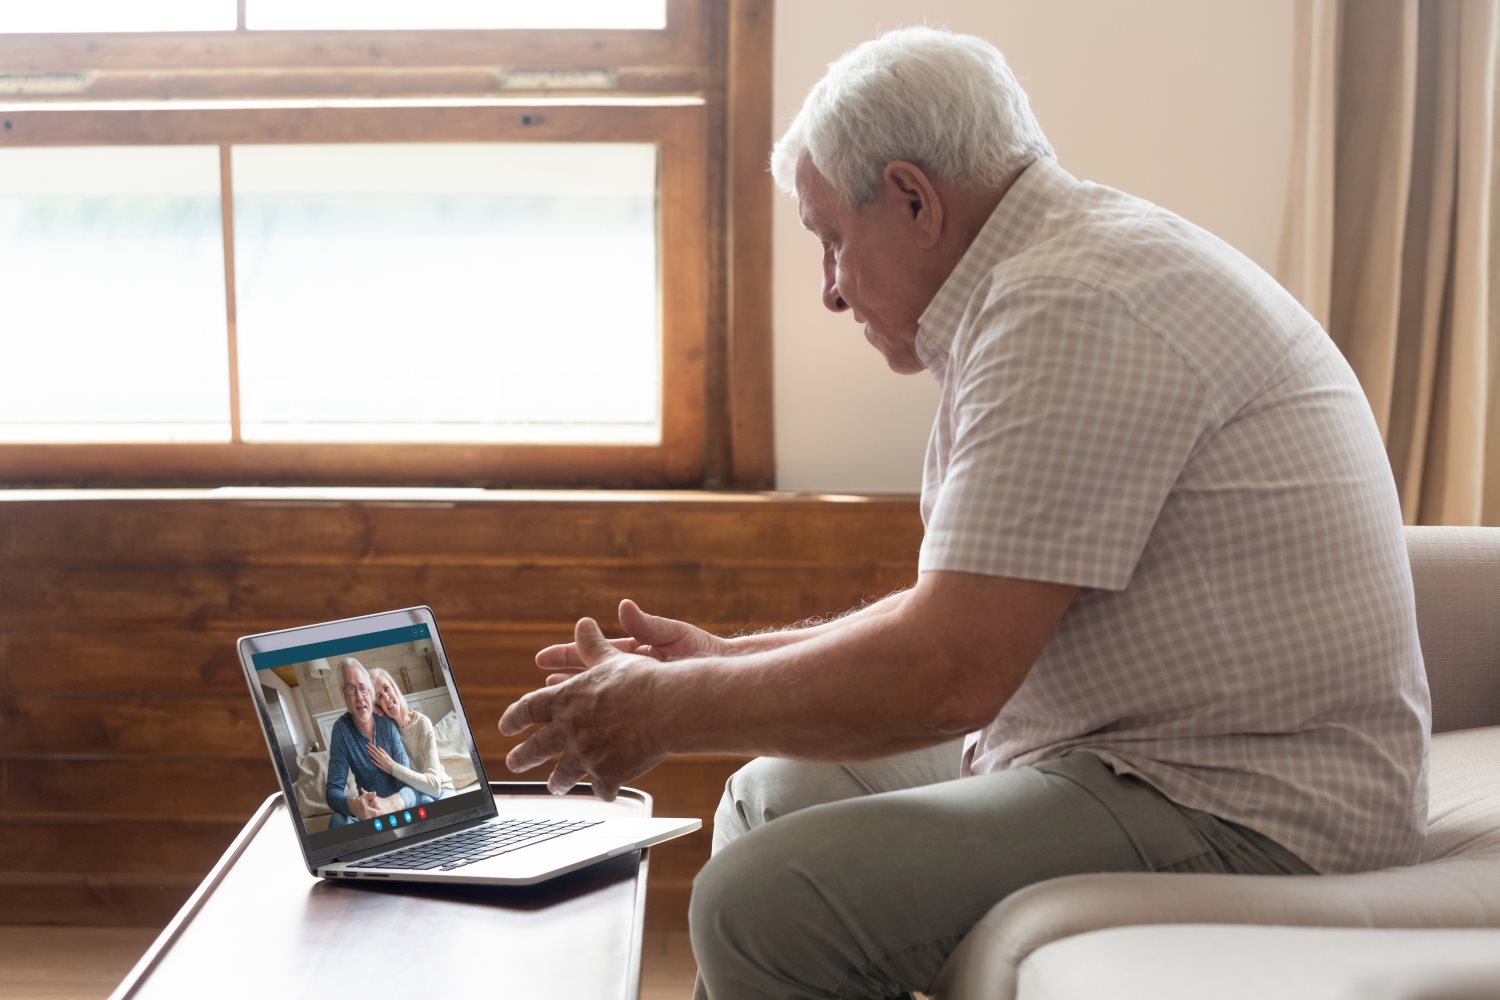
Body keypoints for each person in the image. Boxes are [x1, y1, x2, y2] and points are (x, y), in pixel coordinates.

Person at [499, 25, 1431, 999]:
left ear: (913, 196)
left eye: (829, 238)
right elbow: (954, 614)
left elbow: (948, 672)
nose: (828, 287)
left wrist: (659, 708)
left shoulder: (1069, 309)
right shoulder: (1058, 275)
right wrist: (725, 661)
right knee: (773, 794)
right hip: (1143, 746)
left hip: (1246, 804)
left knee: (760, 901)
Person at [325, 657, 420, 828]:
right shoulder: (341, 730)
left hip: (399, 808)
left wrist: (390, 803)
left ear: (369, 691)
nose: (359, 697)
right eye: (351, 689)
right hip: (370, 816)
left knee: (425, 799)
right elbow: (332, 792)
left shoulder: (386, 719)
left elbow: (410, 782)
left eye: (363, 688)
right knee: (337, 820)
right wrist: (355, 805)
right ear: (344, 695)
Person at [367, 665, 456, 800]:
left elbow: (435, 786)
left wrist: (392, 767)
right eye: (379, 697)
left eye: (386, 689)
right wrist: (370, 709)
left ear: (394, 688)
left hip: (442, 788)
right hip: (418, 794)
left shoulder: (422, 723)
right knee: (425, 802)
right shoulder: (388, 732)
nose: (386, 698)